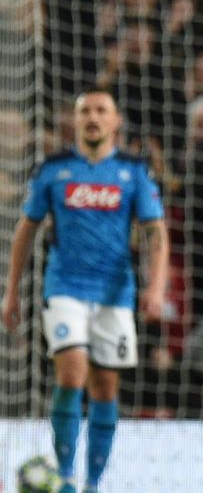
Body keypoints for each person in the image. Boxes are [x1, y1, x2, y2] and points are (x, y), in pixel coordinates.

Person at [2, 89, 169, 493]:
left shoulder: (133, 172)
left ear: (115, 122)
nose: (92, 118)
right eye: (85, 111)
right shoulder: (54, 170)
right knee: (72, 372)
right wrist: (11, 292)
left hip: (115, 293)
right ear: (74, 121)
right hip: (65, 288)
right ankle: (63, 477)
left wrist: (157, 286)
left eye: (101, 111)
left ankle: (92, 483)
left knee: (104, 387)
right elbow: (26, 231)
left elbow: (156, 234)